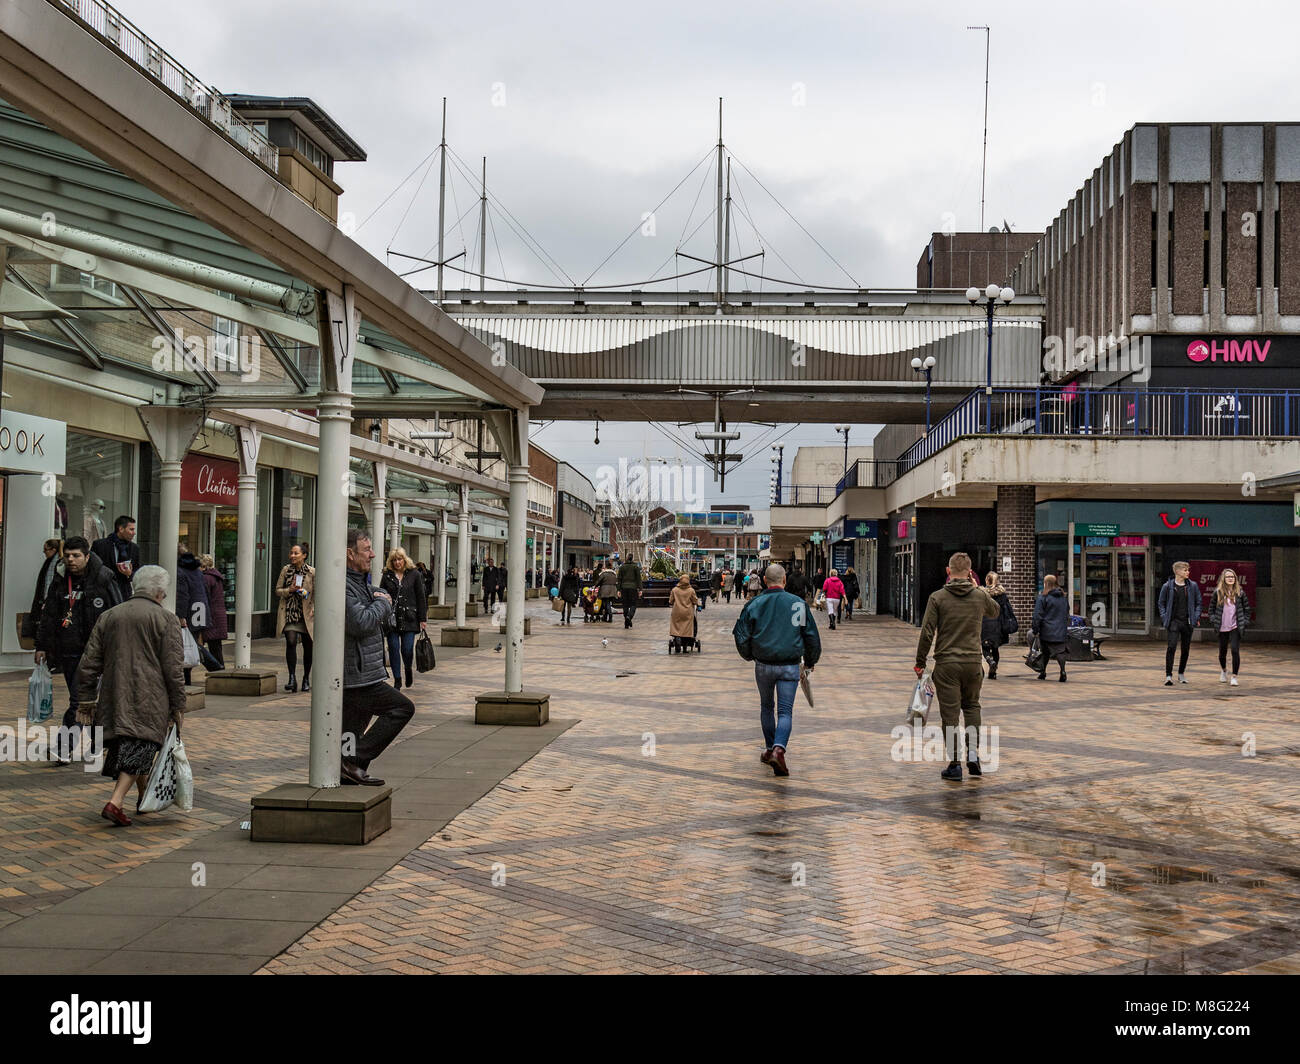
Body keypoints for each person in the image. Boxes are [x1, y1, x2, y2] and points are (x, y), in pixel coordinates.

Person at [75, 565, 187, 826]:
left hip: (114, 694)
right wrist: (179, 705)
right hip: (150, 697)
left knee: (132, 745)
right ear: (160, 592)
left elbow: (89, 662)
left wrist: (87, 698)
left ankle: (144, 800)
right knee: (141, 745)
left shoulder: (109, 616)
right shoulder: (166, 619)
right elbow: (173, 668)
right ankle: (115, 802)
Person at [914, 552, 1000, 782]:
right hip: (973, 662)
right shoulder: (979, 596)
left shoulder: (938, 597)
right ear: (970, 573)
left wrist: (920, 661)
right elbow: (995, 611)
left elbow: (927, 632)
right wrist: (978, 589)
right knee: (972, 706)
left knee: (950, 715)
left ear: (948, 571)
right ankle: (973, 753)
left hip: (947, 664)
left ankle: (955, 764)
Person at [35, 536, 118, 764]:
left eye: (76, 556)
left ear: (87, 556)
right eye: (68, 556)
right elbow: (49, 614)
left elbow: (118, 613)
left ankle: (64, 748)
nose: (71, 560)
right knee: (84, 699)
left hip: (97, 651)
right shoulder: (60, 579)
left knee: (79, 700)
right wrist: (42, 645)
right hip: (69, 650)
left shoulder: (103, 578)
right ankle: (99, 745)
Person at [733, 563, 821, 778]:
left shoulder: (754, 604)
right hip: (789, 665)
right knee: (785, 711)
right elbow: (811, 636)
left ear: (764, 581)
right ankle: (779, 750)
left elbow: (741, 635)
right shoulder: (798, 604)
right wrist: (810, 661)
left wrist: (749, 655)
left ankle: (770, 748)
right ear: (784, 580)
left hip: (763, 665)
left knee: (766, 707)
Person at [342, 529, 413, 786]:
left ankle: (349, 766)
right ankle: (351, 761)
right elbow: (361, 622)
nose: (373, 554)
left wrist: (378, 598)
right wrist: (383, 602)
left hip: (363, 670)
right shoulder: (343, 585)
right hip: (356, 674)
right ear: (350, 554)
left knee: (351, 727)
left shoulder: (361, 582)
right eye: (366, 549)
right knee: (401, 708)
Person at [381, 546, 428, 689]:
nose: (397, 562)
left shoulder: (414, 574)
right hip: (392, 619)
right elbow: (381, 594)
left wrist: (422, 618)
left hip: (409, 618)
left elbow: (421, 597)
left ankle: (408, 668)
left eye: (399, 559)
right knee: (394, 648)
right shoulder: (387, 575)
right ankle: (397, 679)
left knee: (407, 649)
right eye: (394, 560)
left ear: (404, 559)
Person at [275, 543, 315, 692]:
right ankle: (292, 678)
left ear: (304, 555)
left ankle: (306, 678)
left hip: (306, 614)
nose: (292, 556)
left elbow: (317, 593)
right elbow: (278, 590)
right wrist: (289, 590)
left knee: (308, 647)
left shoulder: (312, 572)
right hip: (290, 613)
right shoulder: (286, 570)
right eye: (291, 553)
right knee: (291, 641)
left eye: (296, 553)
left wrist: (314, 607)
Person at [175, 549, 220, 682]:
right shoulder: (197, 572)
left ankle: (215, 667)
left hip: (190, 612)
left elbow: (182, 595)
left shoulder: (180, 572)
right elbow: (205, 591)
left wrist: (181, 616)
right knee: (191, 644)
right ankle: (189, 677)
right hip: (200, 610)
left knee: (190, 645)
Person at [1157, 560, 1201, 686]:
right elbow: (1161, 603)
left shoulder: (1192, 586)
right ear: (1177, 571)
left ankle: (1181, 673)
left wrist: (1195, 616)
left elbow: (1198, 602)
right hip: (1173, 622)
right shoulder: (1168, 586)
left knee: (1185, 649)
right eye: (1185, 570)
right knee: (1171, 647)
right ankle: (1168, 675)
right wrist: (1165, 617)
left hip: (1187, 622)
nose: (1188, 572)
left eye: (1188, 570)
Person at [1210, 568, 1251, 687]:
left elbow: (1247, 609)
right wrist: (1213, 619)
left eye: (1232, 577)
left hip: (1235, 626)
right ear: (1224, 578)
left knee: (1234, 650)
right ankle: (1223, 670)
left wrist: (1244, 622)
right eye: (1228, 577)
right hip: (1222, 626)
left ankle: (1234, 676)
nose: (1230, 579)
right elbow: (1211, 609)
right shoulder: (1217, 592)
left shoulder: (1240, 593)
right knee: (1222, 652)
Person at [91, 515, 141, 604]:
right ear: (121, 529)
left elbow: (137, 572)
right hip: (103, 592)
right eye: (131, 529)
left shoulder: (134, 548)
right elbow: (92, 568)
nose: (134, 533)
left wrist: (129, 574)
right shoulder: (100, 545)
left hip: (123, 593)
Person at [1030, 574, 1070, 682]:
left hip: (1046, 630)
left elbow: (1037, 616)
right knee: (1060, 651)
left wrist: (1035, 629)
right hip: (1060, 630)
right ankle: (1062, 671)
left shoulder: (1043, 597)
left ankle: (1042, 672)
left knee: (1044, 651)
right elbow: (1067, 613)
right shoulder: (1063, 597)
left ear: (1045, 583)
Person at [23, 538, 62, 641]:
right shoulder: (52, 562)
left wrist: (46, 599)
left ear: (53, 550)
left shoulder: (55, 563)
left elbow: (49, 583)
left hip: (48, 601)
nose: (44, 552)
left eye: (46, 549)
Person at [980, 571, 1016, 679]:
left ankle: (990, 661)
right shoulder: (1002, 595)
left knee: (985, 647)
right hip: (998, 625)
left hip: (985, 625)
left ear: (987, 580)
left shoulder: (983, 594)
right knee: (995, 648)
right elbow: (1008, 610)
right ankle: (993, 672)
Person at [200, 554, 229, 670]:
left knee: (205, 646)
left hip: (211, 616)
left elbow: (204, 598)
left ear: (203, 566)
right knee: (216, 646)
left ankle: (218, 669)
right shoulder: (217, 577)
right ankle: (220, 669)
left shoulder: (206, 578)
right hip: (218, 615)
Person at [668, 573, 700, 652]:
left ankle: (677, 638)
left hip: (677, 612)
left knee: (676, 626)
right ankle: (685, 647)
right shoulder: (691, 590)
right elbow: (695, 600)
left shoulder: (675, 590)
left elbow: (671, 601)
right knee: (686, 629)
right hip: (688, 612)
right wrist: (699, 605)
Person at [617, 554, 643, 628]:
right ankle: (629, 617)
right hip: (633, 588)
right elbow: (639, 579)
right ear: (632, 558)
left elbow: (619, 579)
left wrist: (618, 589)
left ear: (626, 558)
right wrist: (640, 589)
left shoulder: (622, 567)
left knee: (625, 605)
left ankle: (626, 621)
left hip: (624, 588)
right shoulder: (636, 567)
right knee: (633, 604)